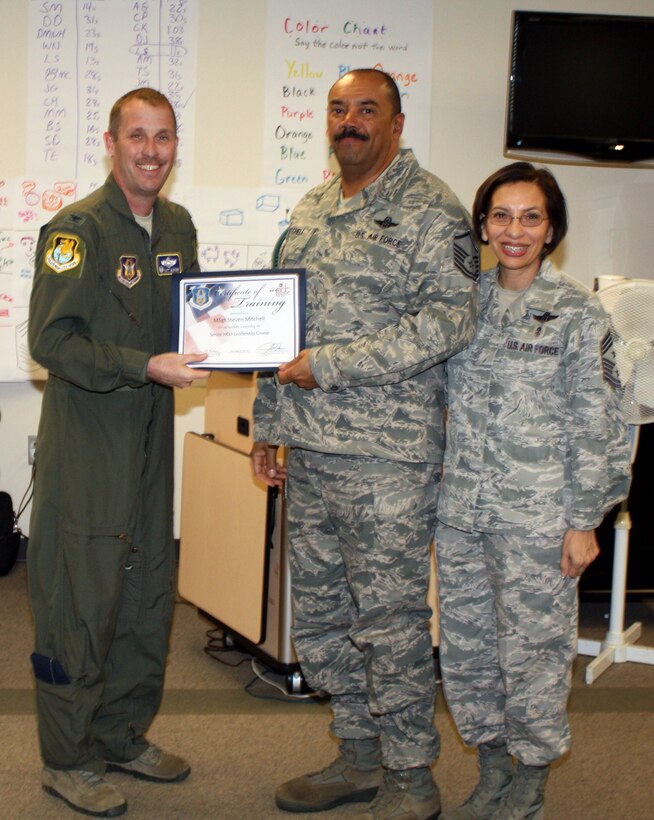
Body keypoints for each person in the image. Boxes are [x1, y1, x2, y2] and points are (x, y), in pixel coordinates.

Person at [252, 68, 479, 820]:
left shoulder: (431, 209)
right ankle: (357, 755)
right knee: (321, 616)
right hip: (311, 451)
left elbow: (448, 322)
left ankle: (412, 777)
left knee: (388, 621)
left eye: (367, 110)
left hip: (387, 460)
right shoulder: (315, 205)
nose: (350, 121)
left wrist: (333, 366)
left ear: (397, 121)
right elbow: (280, 324)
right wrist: (268, 422)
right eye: (339, 109)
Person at [27, 88, 209, 818]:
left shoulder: (178, 226)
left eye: (164, 137)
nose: (152, 152)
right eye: (138, 136)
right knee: (81, 598)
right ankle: (67, 759)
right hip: (91, 442)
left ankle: (122, 735)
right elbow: (49, 342)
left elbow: (195, 317)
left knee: (144, 593)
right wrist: (142, 366)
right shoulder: (76, 231)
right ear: (112, 142)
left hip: (150, 442)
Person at [435, 162, 631, 820]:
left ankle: (532, 775)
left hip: (538, 520)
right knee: (468, 648)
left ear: (552, 228)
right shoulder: (466, 304)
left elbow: (600, 423)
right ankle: (492, 765)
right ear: (483, 225)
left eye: (530, 217)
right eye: (500, 216)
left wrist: (584, 522)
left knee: (535, 653)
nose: (514, 230)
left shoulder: (578, 313)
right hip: (462, 513)